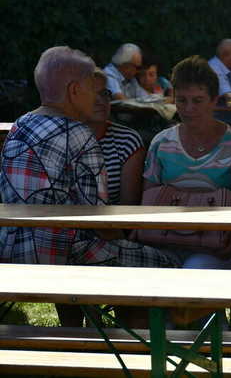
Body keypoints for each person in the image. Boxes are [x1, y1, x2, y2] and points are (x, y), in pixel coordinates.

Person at [0, 46, 179, 326]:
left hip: (13, 251)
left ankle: (78, 333)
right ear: (74, 91)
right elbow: (98, 220)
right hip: (63, 259)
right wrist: (130, 241)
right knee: (167, 265)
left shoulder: (20, 125)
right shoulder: (80, 135)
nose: (97, 96)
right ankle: (137, 348)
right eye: (91, 88)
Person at [143, 55, 231, 270]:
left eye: (197, 100)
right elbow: (148, 201)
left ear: (214, 100)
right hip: (165, 240)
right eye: (181, 100)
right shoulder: (161, 143)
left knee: (197, 269)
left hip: (222, 245)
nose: (188, 108)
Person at [87, 71, 146, 206]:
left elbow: (128, 207)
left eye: (104, 94)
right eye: (91, 94)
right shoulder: (62, 139)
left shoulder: (127, 141)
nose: (100, 101)